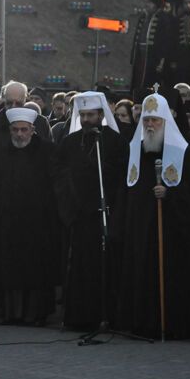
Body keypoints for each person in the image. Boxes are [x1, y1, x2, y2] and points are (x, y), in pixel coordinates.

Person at [116, 93, 190, 340]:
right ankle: (140, 322)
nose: (150, 125)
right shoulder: (134, 148)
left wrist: (171, 194)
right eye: (146, 120)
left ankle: (170, 324)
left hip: (170, 229)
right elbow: (126, 188)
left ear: (165, 121)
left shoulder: (180, 150)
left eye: (155, 120)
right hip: (140, 227)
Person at [52, 91, 127, 331]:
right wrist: (69, 206)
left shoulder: (115, 141)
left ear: (101, 115)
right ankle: (78, 317)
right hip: (77, 216)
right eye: (82, 115)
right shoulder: (69, 142)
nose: (86, 120)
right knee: (79, 269)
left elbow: (122, 177)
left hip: (103, 215)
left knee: (104, 268)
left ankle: (105, 316)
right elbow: (59, 176)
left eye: (90, 115)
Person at [0, 107, 59, 325]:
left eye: (24, 130)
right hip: (9, 221)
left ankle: (35, 313)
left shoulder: (47, 151)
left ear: (32, 130)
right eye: (15, 130)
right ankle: (13, 313)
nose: (19, 134)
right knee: (11, 268)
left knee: (36, 268)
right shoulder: (1, 151)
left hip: (39, 222)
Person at [131, 0, 174, 91]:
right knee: (138, 79)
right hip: (140, 55)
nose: (146, 5)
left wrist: (161, 59)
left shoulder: (163, 18)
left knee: (151, 81)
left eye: (149, 2)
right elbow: (136, 37)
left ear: (156, 4)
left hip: (154, 56)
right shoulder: (143, 17)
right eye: (145, 2)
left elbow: (166, 41)